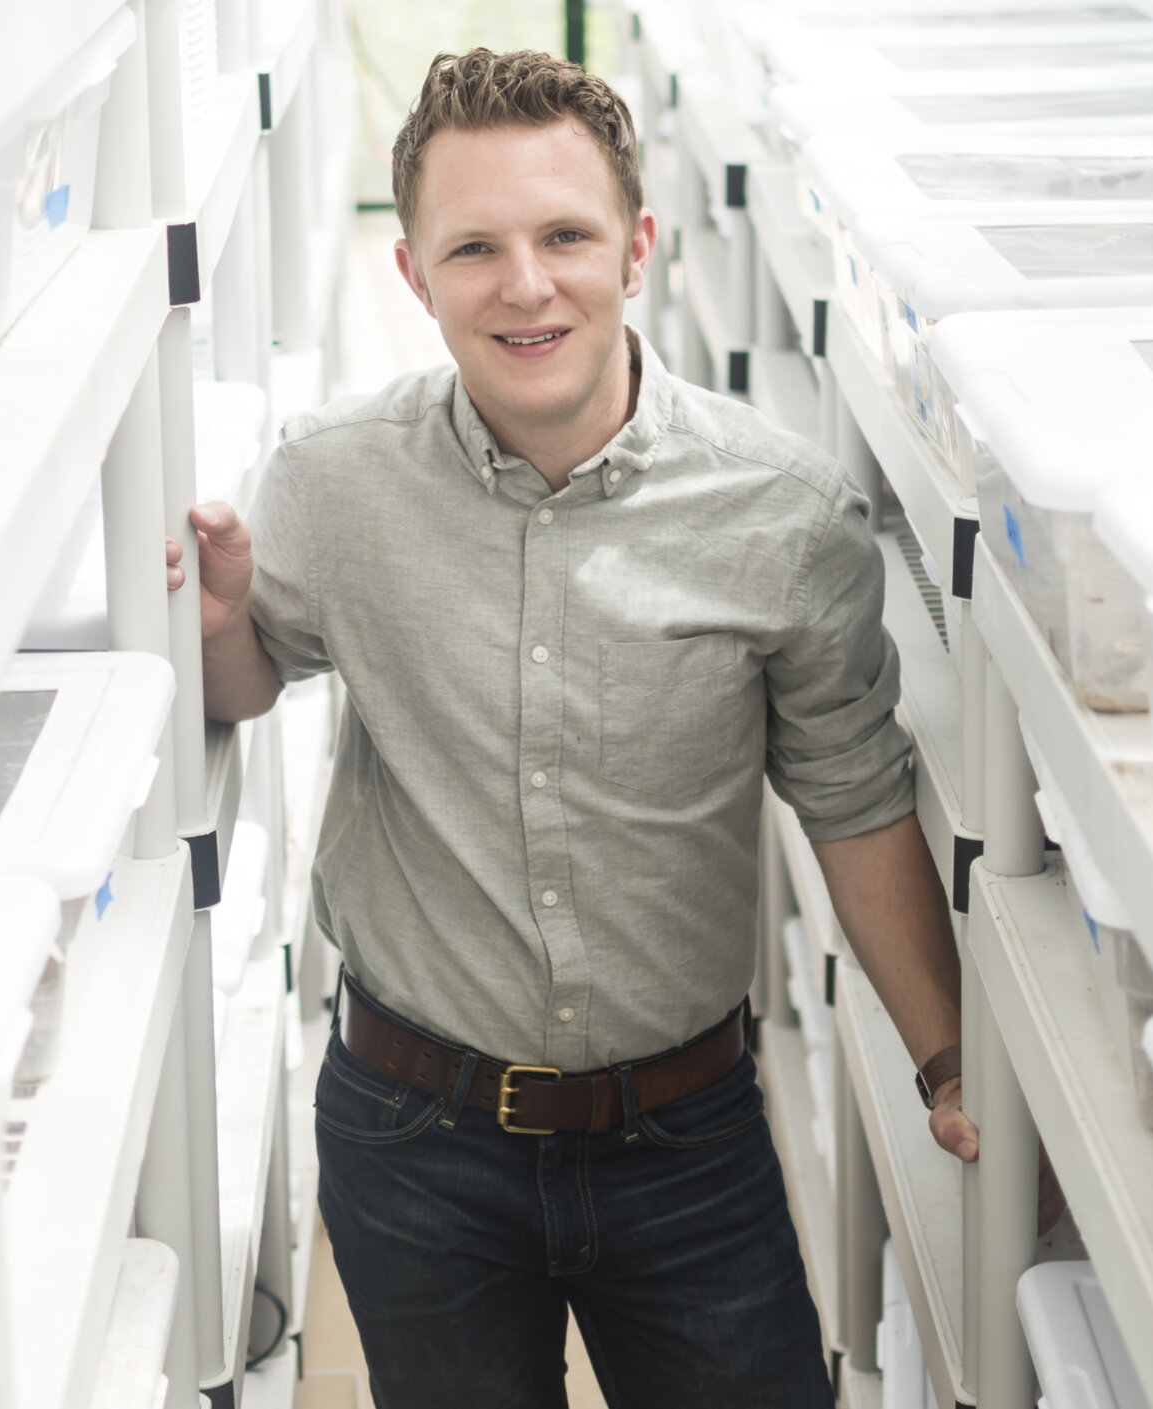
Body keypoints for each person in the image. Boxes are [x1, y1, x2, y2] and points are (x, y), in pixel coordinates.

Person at [166, 47, 975, 1408]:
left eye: (564, 236)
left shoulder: (783, 515)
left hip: (687, 1135)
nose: (525, 283)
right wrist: (220, 628)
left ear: (638, 248)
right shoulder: (331, 481)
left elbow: (854, 797)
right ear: (416, 274)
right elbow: (252, 686)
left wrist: (947, 1057)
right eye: (474, 247)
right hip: (411, 1131)